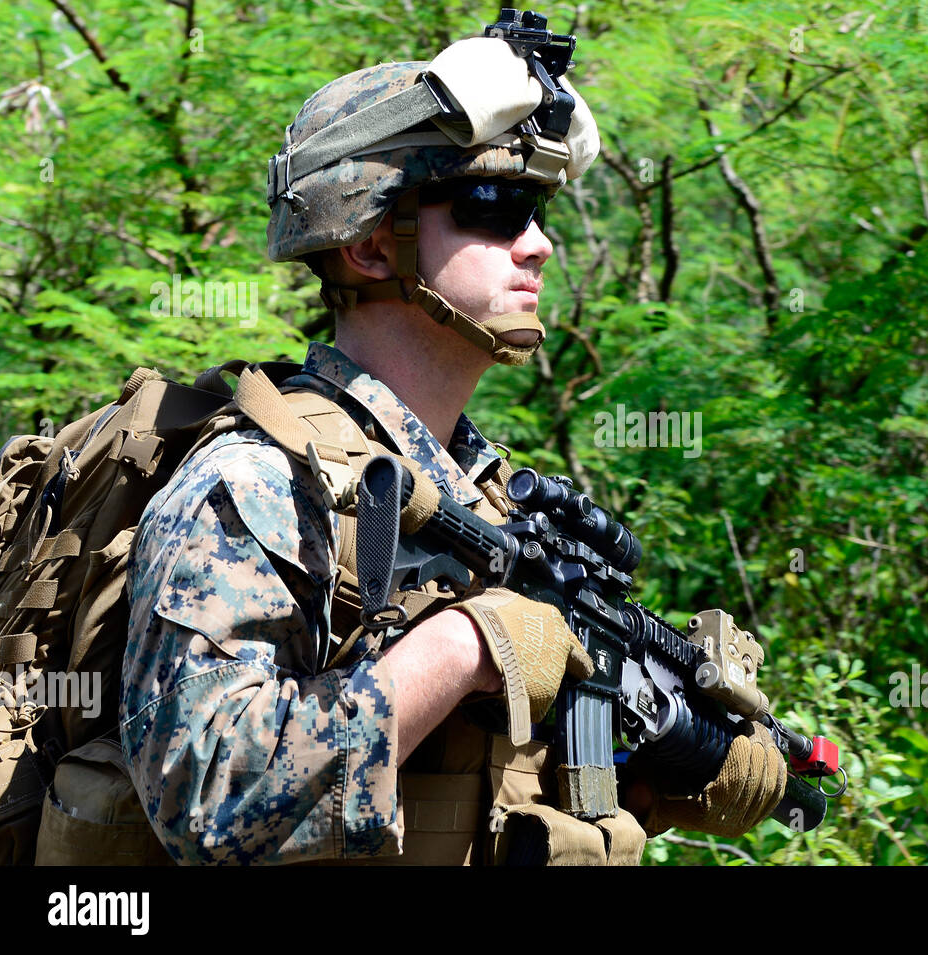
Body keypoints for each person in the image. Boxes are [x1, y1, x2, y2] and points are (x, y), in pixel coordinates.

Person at [114, 16, 786, 866]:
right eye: (493, 207)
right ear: (366, 245)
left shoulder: (495, 497)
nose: (537, 243)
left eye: (536, 209)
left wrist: (672, 764)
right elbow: (205, 796)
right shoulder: (258, 482)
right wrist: (467, 645)